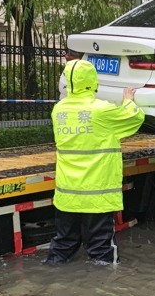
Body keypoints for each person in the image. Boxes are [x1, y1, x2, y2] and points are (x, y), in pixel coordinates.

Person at [45, 60, 144, 265]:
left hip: (68, 195)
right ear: (92, 81)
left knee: (62, 247)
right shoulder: (101, 110)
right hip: (96, 196)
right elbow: (134, 118)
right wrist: (128, 100)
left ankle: (53, 279)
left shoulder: (59, 110)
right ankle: (102, 292)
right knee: (101, 253)